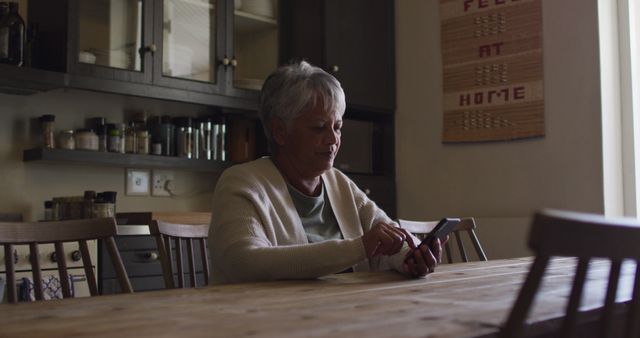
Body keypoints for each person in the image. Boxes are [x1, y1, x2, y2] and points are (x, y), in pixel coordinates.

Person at [208, 61, 443, 284]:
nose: (333, 139)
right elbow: (245, 263)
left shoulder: (338, 183)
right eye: (319, 128)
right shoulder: (241, 183)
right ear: (280, 131)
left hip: (340, 313)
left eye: (337, 127)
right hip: (264, 320)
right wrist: (359, 247)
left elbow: (386, 233)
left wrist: (410, 257)